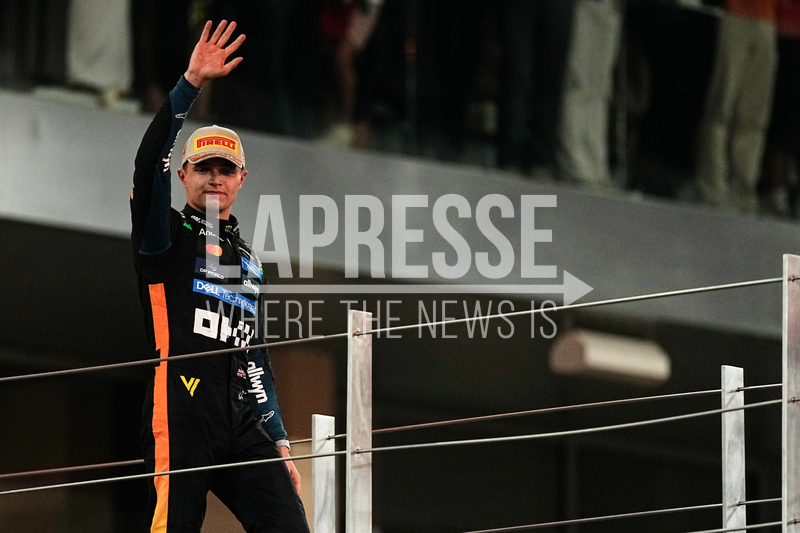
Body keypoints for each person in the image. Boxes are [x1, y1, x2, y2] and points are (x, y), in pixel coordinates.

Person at [130, 20, 310, 532]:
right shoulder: (164, 234)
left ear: (241, 180)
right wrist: (190, 84)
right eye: (204, 168)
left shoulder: (248, 259)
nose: (215, 178)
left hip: (242, 418)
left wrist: (278, 437)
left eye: (226, 170)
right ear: (183, 175)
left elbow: (253, 354)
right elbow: (147, 167)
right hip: (180, 405)